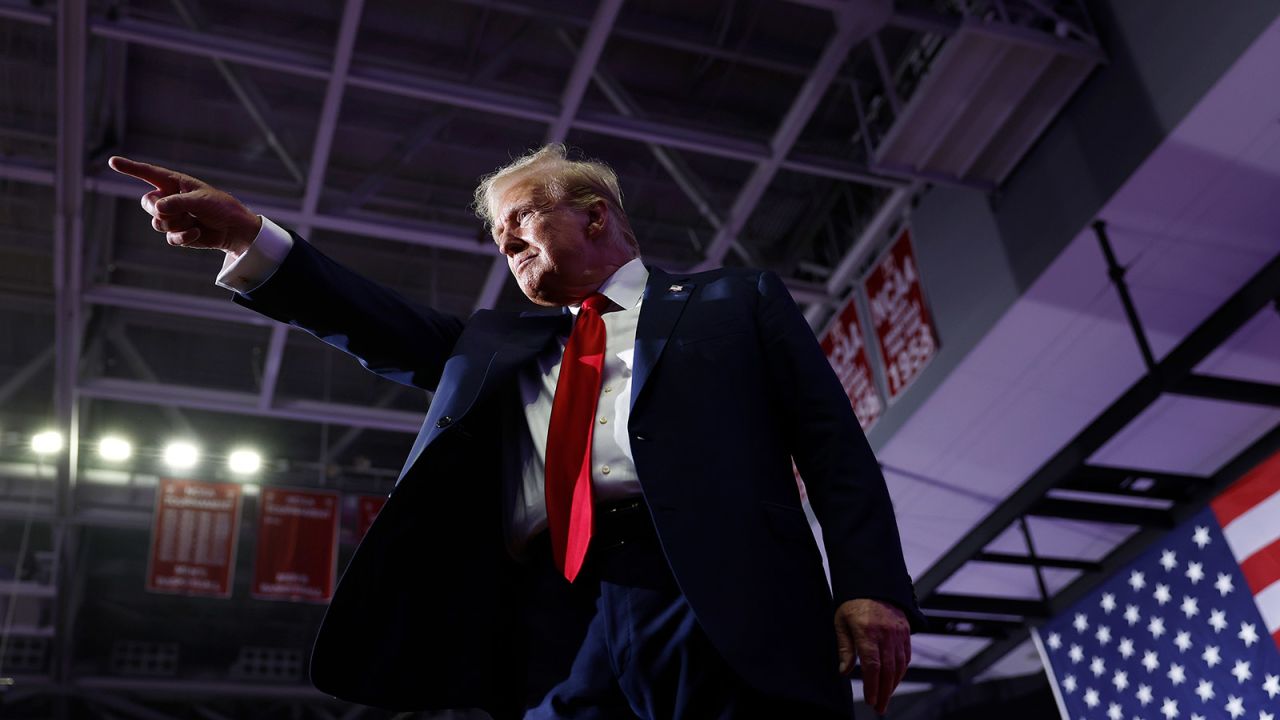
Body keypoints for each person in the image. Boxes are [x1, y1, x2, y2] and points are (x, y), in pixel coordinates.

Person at [110, 145, 925, 719]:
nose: (505, 247)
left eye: (519, 223)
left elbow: (831, 445)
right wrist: (247, 236)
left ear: (595, 215)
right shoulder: (496, 347)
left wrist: (872, 586)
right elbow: (368, 318)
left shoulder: (734, 302)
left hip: (718, 595)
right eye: (497, 241)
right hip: (558, 618)